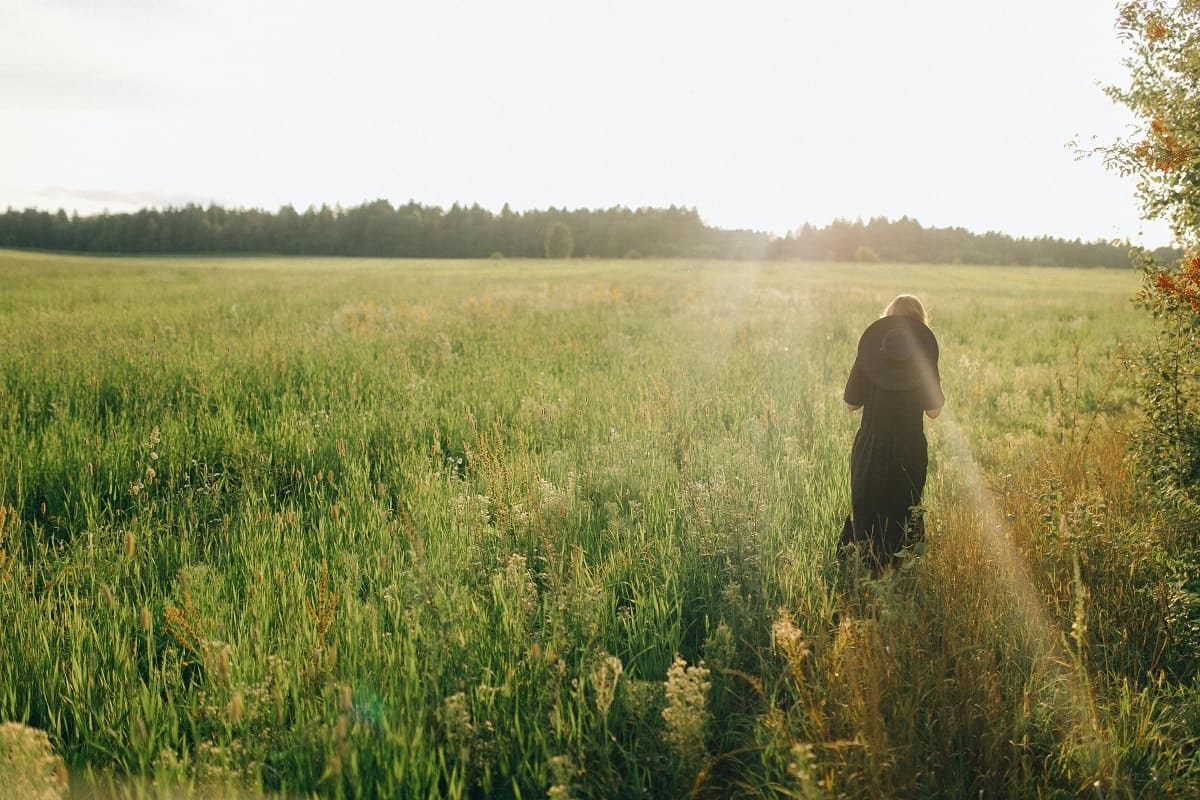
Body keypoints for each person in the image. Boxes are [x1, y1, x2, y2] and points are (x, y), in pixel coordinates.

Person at [839, 294, 945, 573]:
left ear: (888, 319)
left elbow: (851, 404)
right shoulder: (923, 360)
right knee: (904, 506)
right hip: (909, 446)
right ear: (921, 324)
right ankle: (899, 569)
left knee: (866, 504)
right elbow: (934, 411)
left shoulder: (870, 355)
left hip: (871, 444)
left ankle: (864, 567)